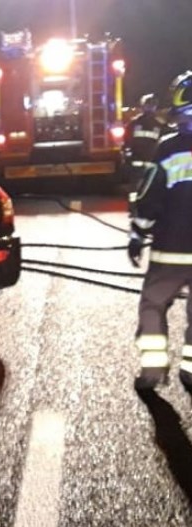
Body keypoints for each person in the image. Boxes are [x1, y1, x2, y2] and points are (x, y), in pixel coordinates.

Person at [128, 71, 192, 390]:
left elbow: (149, 200)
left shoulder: (168, 149)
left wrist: (137, 235)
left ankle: (153, 372)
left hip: (171, 252)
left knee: (153, 305)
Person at [123, 94, 164, 189]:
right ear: (143, 106)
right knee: (136, 189)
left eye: (152, 105)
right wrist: (128, 157)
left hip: (151, 164)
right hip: (138, 164)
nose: (150, 108)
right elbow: (126, 143)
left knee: (150, 189)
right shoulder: (133, 124)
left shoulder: (160, 125)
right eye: (148, 105)